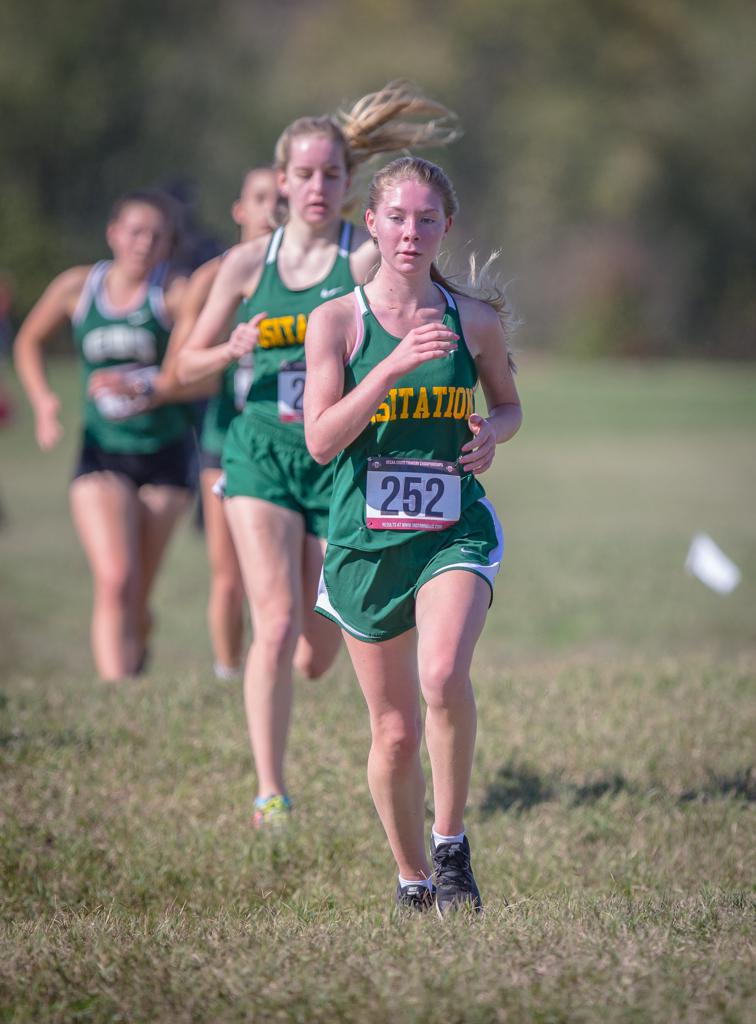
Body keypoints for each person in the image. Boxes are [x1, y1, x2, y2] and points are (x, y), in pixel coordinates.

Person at [175, 82, 460, 828]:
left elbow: (411, 247)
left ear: (345, 184)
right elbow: (182, 368)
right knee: (271, 622)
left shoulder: (362, 253)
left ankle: (311, 678)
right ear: (280, 180)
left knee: (315, 651)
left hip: (341, 463)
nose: (315, 186)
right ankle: (271, 790)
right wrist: (228, 349)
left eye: (331, 174)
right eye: (302, 174)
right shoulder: (245, 267)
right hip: (262, 452)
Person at [303, 156, 522, 914]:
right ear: (371, 222)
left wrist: (492, 433)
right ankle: (411, 880)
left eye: (427, 219)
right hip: (364, 543)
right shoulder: (335, 321)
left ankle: (452, 845)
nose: (410, 232)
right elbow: (323, 440)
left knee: (439, 677)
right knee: (394, 732)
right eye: (396, 216)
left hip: (451, 529)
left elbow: (509, 406)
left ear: (445, 228)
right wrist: (390, 367)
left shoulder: (474, 320)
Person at [14, 189, 194, 681]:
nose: (144, 244)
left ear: (167, 244)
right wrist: (45, 402)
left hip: (166, 456)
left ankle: (138, 634)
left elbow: (192, 369)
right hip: (101, 453)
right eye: (136, 232)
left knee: (136, 596)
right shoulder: (78, 287)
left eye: (157, 236)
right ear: (113, 233)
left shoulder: (174, 293)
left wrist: (147, 385)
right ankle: (118, 695)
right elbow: (28, 340)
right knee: (115, 580)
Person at [164, 167, 279, 681]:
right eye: (261, 198)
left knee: (294, 575)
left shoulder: (318, 274)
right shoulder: (214, 278)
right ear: (239, 210)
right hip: (226, 437)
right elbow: (177, 375)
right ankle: (229, 673)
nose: (273, 209)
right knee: (230, 576)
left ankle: (280, 670)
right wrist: (229, 357)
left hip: (296, 441)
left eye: (282, 198)